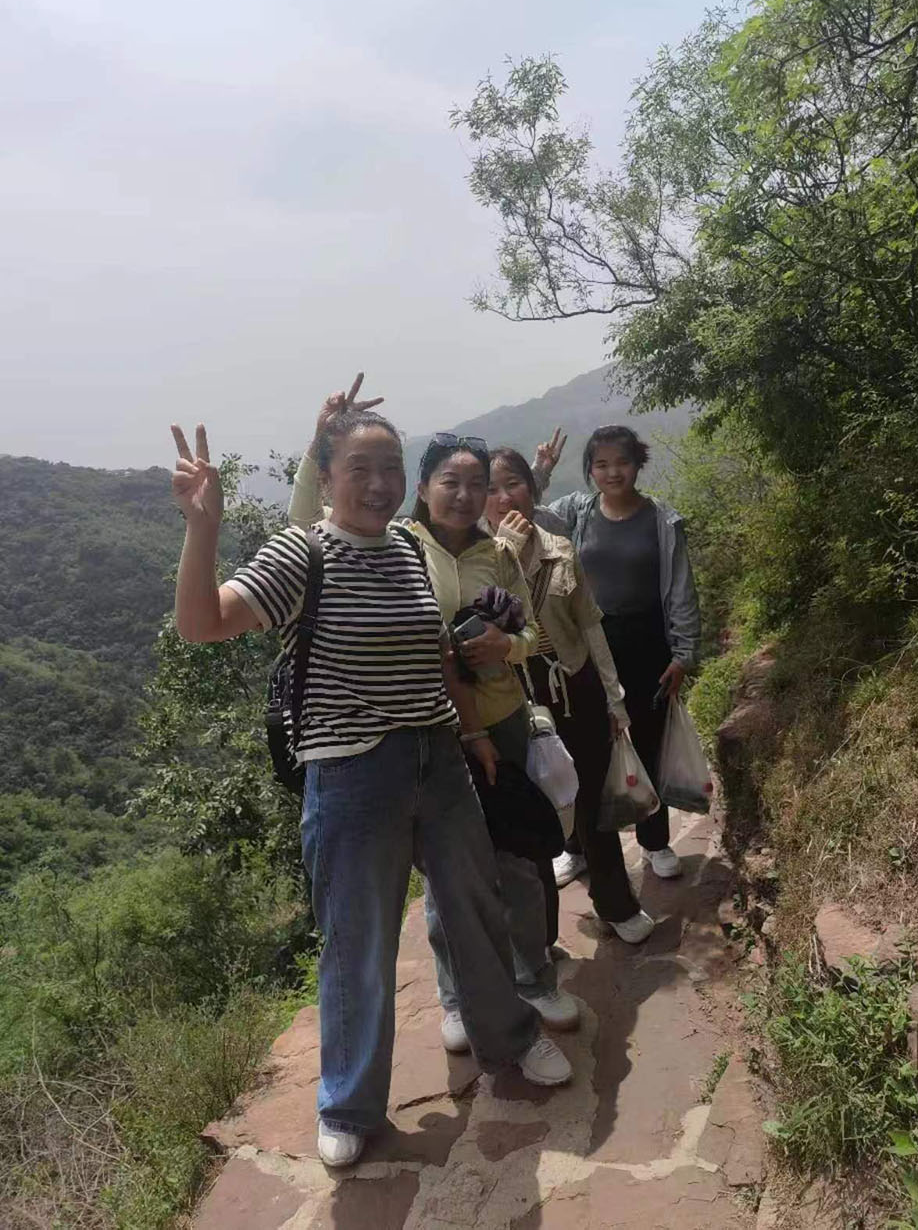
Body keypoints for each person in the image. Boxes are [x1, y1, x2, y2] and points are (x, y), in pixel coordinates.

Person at [169, 394, 572, 1173]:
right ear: (326, 477)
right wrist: (202, 526)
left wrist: (471, 735)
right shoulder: (303, 552)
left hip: (439, 757)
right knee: (358, 941)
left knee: (476, 907)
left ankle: (511, 1039)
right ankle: (348, 1102)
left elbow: (437, 655)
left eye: (392, 467)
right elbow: (202, 624)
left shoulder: (407, 552)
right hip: (352, 774)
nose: (380, 482)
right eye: (361, 468)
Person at [289, 392, 580, 1055]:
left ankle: (534, 977)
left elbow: (531, 632)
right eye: (450, 481)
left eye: (477, 484)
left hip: (501, 719)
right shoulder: (397, 545)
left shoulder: (497, 554)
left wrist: (506, 646)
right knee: (450, 880)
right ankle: (454, 996)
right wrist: (319, 444)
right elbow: (307, 529)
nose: (465, 495)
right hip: (435, 730)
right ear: (421, 488)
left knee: (519, 858)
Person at [486, 447, 658, 944]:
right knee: (532, 811)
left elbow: (590, 625)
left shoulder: (560, 548)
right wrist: (501, 553)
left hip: (574, 686)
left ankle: (615, 903)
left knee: (592, 797)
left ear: (532, 488)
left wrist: (614, 697)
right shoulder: (476, 562)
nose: (504, 497)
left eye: (514, 483)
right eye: (491, 489)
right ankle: (540, 935)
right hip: (514, 697)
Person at [531, 425, 700, 884]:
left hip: (647, 645)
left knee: (646, 742)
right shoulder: (576, 513)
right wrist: (540, 472)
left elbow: (681, 590)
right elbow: (523, 511)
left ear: (638, 464)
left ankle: (654, 841)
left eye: (622, 462)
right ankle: (578, 846)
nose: (612, 472)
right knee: (583, 748)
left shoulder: (661, 521)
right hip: (588, 645)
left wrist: (683, 653)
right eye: (601, 464)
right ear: (589, 470)